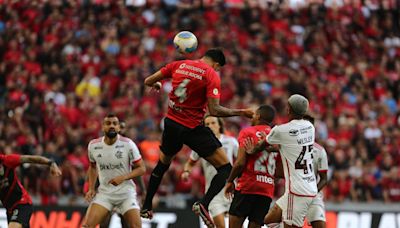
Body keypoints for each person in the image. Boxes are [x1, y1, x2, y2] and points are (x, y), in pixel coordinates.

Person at [141, 48, 253, 227]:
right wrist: (241, 112)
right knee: (225, 169)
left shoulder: (179, 64)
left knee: (163, 164)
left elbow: (148, 81)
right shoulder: (211, 74)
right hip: (192, 127)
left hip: (171, 124)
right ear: (216, 64)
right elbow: (215, 110)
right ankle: (204, 204)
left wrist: (157, 85)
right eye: (218, 68)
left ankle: (146, 206)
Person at [82, 114, 146, 228]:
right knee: (87, 226)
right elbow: (92, 167)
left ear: (119, 128)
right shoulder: (93, 146)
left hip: (126, 194)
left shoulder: (128, 144)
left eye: (114, 123)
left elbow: (142, 168)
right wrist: (91, 188)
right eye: (108, 123)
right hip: (105, 194)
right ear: (102, 127)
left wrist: (123, 178)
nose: (111, 126)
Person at [264, 94, 317, 228]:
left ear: (288, 110)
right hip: (307, 187)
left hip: (297, 191)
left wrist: (252, 150)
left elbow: (264, 145)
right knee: (269, 221)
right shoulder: (310, 127)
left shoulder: (281, 130)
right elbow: (291, 147)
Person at [224, 105, 277, 228]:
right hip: (267, 191)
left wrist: (230, 181)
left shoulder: (248, 132)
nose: (251, 117)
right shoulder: (276, 137)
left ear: (258, 116)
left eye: (253, 115)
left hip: (248, 186)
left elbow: (240, 163)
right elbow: (279, 170)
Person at [181, 116, 239, 228]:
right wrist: (186, 171)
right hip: (213, 194)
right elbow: (190, 162)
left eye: (213, 123)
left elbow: (240, 161)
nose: (211, 126)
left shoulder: (230, 141)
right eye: (207, 124)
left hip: (231, 190)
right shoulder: (201, 144)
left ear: (219, 125)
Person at [0, 154, 62, 228]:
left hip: (22, 203)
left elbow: (30, 159)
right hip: (9, 209)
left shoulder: (8, 160)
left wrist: (51, 163)